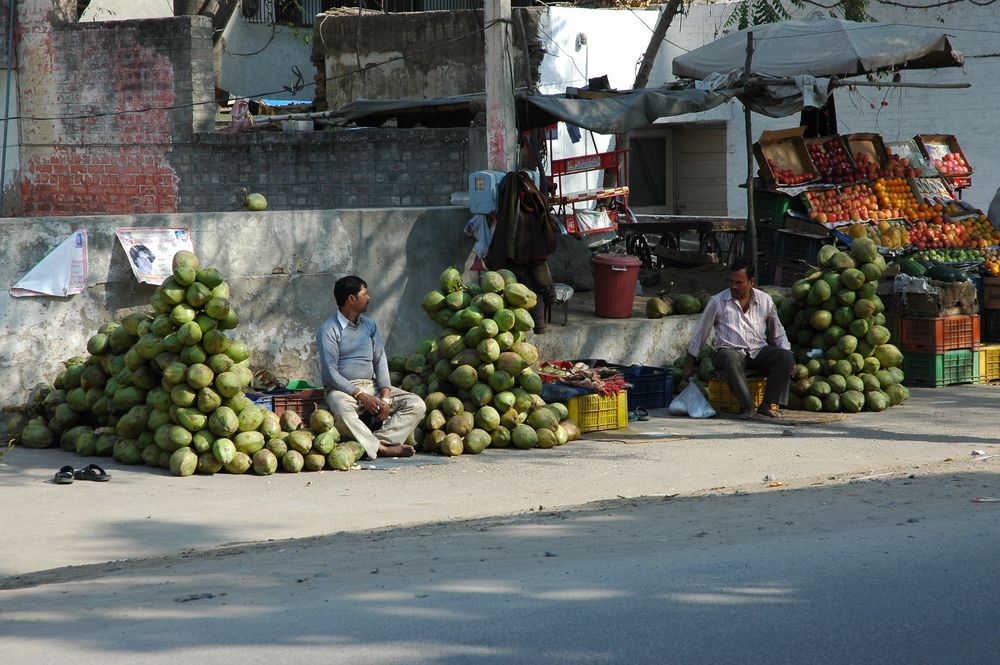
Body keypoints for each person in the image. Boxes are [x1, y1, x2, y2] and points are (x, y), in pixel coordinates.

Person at [317, 276, 426, 458]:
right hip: (343, 390)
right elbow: (330, 374)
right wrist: (360, 395)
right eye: (365, 293)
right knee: (342, 411)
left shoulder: (370, 325)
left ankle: (377, 442)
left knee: (416, 404)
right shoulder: (329, 329)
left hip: (371, 385)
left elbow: (380, 361)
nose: (369, 298)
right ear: (352, 299)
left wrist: (385, 398)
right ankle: (382, 449)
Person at [682, 261, 794, 420]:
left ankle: (767, 405)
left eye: (739, 283)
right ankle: (748, 407)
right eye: (731, 281)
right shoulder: (717, 301)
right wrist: (689, 364)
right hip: (727, 352)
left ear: (751, 282)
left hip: (758, 351)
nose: (733, 286)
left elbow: (778, 331)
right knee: (730, 357)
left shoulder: (765, 300)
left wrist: (787, 353)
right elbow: (700, 334)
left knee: (785, 358)